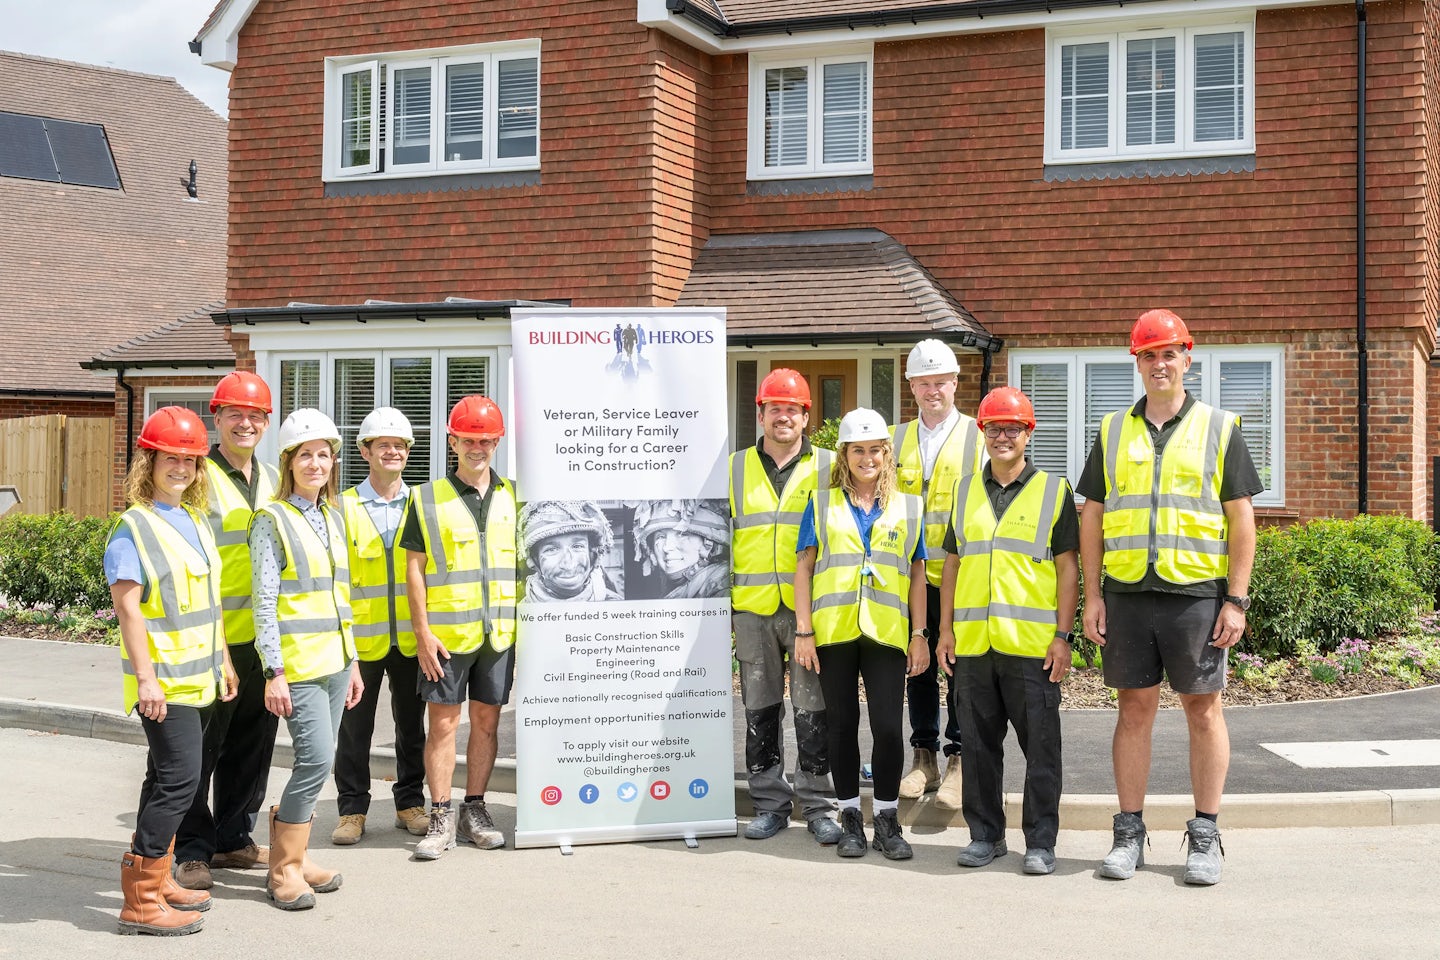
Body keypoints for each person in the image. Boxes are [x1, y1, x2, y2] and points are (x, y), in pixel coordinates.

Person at [1079, 309, 1262, 886]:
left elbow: (1242, 520)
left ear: (1188, 357)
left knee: (1203, 710)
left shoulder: (1218, 426)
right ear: (1136, 362)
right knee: (1133, 712)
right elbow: (1092, 517)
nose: (1159, 364)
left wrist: (1236, 599)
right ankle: (1128, 834)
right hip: (1129, 594)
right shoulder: (1111, 431)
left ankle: (1204, 835)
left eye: (1169, 353)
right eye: (1148, 354)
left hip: (1196, 598)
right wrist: (1093, 595)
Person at [937, 387, 1080, 876]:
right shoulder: (963, 492)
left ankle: (1040, 842)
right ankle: (985, 836)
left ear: (1028, 433)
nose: (1002, 436)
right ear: (983, 432)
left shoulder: (1054, 491)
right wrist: (944, 630)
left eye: (1012, 428)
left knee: (1041, 749)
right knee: (977, 747)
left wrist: (1064, 636)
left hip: (1033, 648)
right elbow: (952, 565)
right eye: (994, 427)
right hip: (975, 644)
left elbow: (1068, 569)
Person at [106, 407, 237, 936]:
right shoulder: (132, 528)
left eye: (190, 459)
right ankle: (140, 901)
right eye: (170, 458)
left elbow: (212, 601)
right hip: (163, 683)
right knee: (180, 783)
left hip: (199, 679)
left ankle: (157, 881)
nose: (181, 468)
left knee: (163, 777)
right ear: (150, 461)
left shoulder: (198, 521)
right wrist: (146, 679)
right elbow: (128, 609)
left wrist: (225, 658)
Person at [793, 408, 928, 861]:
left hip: (887, 633)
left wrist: (920, 635)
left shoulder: (909, 505)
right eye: (857, 451)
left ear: (886, 454)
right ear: (844, 455)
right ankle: (851, 815)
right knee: (841, 726)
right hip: (833, 633)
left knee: (889, 728)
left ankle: (887, 819)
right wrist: (804, 631)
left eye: (874, 450)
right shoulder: (822, 502)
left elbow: (916, 572)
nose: (866, 458)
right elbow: (805, 568)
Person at [251, 408, 362, 910]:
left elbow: (340, 596)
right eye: (305, 455)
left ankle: (294, 856)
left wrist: (354, 660)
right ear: (288, 463)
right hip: (297, 666)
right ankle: (282, 871)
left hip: (336, 662)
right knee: (316, 760)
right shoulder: (271, 520)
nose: (315, 463)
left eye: (323, 455)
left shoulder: (332, 517)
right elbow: (264, 601)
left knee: (321, 761)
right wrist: (274, 671)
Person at [174, 371, 280, 890]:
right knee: (202, 748)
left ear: (266, 422)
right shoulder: (196, 478)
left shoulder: (275, 478)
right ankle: (193, 850)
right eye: (235, 413)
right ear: (217, 418)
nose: (245, 422)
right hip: (211, 639)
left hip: (262, 640)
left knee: (252, 745)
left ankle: (234, 839)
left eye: (255, 415)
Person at [728, 369, 841, 844]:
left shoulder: (831, 467)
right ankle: (770, 803)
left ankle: (818, 804)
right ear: (761, 413)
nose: (783, 417)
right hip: (752, 609)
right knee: (760, 709)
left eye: (792, 409)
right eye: (775, 408)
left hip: (808, 613)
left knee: (814, 708)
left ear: (805, 416)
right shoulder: (734, 466)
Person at [403, 395, 518, 859]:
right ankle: (440, 815)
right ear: (453, 441)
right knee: (444, 726)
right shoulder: (426, 497)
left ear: (497, 442)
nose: (479, 447)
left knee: (487, 724)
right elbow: (414, 570)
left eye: (487, 439)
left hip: (500, 634)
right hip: (447, 637)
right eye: (470, 439)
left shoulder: (513, 495)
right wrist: (422, 633)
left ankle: (475, 808)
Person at [892, 339, 985, 808]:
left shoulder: (978, 436)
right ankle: (922, 757)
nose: (933, 390)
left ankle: (960, 763)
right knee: (919, 668)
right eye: (924, 382)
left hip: (960, 573)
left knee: (961, 670)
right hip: (909, 576)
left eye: (940, 381)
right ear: (912, 386)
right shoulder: (895, 439)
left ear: (955, 382)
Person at [331, 408, 429, 845]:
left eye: (400, 446)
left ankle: (410, 802)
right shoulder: (340, 507)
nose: (393, 451)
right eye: (383, 444)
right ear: (365, 451)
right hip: (360, 640)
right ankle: (352, 809)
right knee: (354, 729)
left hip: (413, 639)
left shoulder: (423, 505)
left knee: (413, 726)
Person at [519, 500, 621, 601]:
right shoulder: (523, 609)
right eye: (551, 549)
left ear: (593, 554)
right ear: (533, 560)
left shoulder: (617, 605)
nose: (568, 564)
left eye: (577, 546)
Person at [634, 499, 729, 599]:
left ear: (708, 544)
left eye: (682, 534)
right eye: (661, 537)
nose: (667, 547)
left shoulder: (721, 588)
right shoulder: (682, 588)